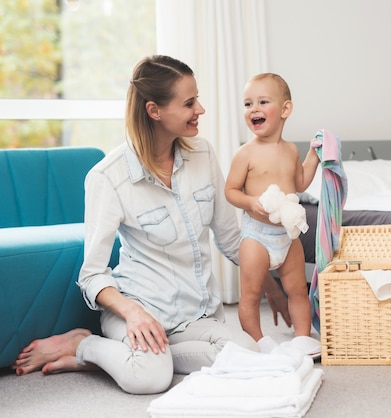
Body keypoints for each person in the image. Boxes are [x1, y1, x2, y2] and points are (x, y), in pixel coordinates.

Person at [11, 55, 290, 394]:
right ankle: (83, 346)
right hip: (138, 309)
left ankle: (146, 356)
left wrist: (272, 287)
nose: (200, 109)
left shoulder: (203, 154)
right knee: (151, 378)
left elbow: (231, 238)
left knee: (246, 356)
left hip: (196, 318)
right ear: (155, 111)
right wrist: (133, 314)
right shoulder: (108, 177)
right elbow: (91, 275)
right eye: (189, 103)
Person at [225, 73, 320, 353]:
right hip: (257, 235)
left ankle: (302, 338)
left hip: (287, 235)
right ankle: (261, 342)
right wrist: (251, 201)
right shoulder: (246, 153)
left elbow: (300, 183)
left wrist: (313, 157)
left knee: (298, 290)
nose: (253, 109)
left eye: (262, 102)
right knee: (252, 294)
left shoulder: (291, 150)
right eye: (247, 104)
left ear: (285, 110)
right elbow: (231, 191)